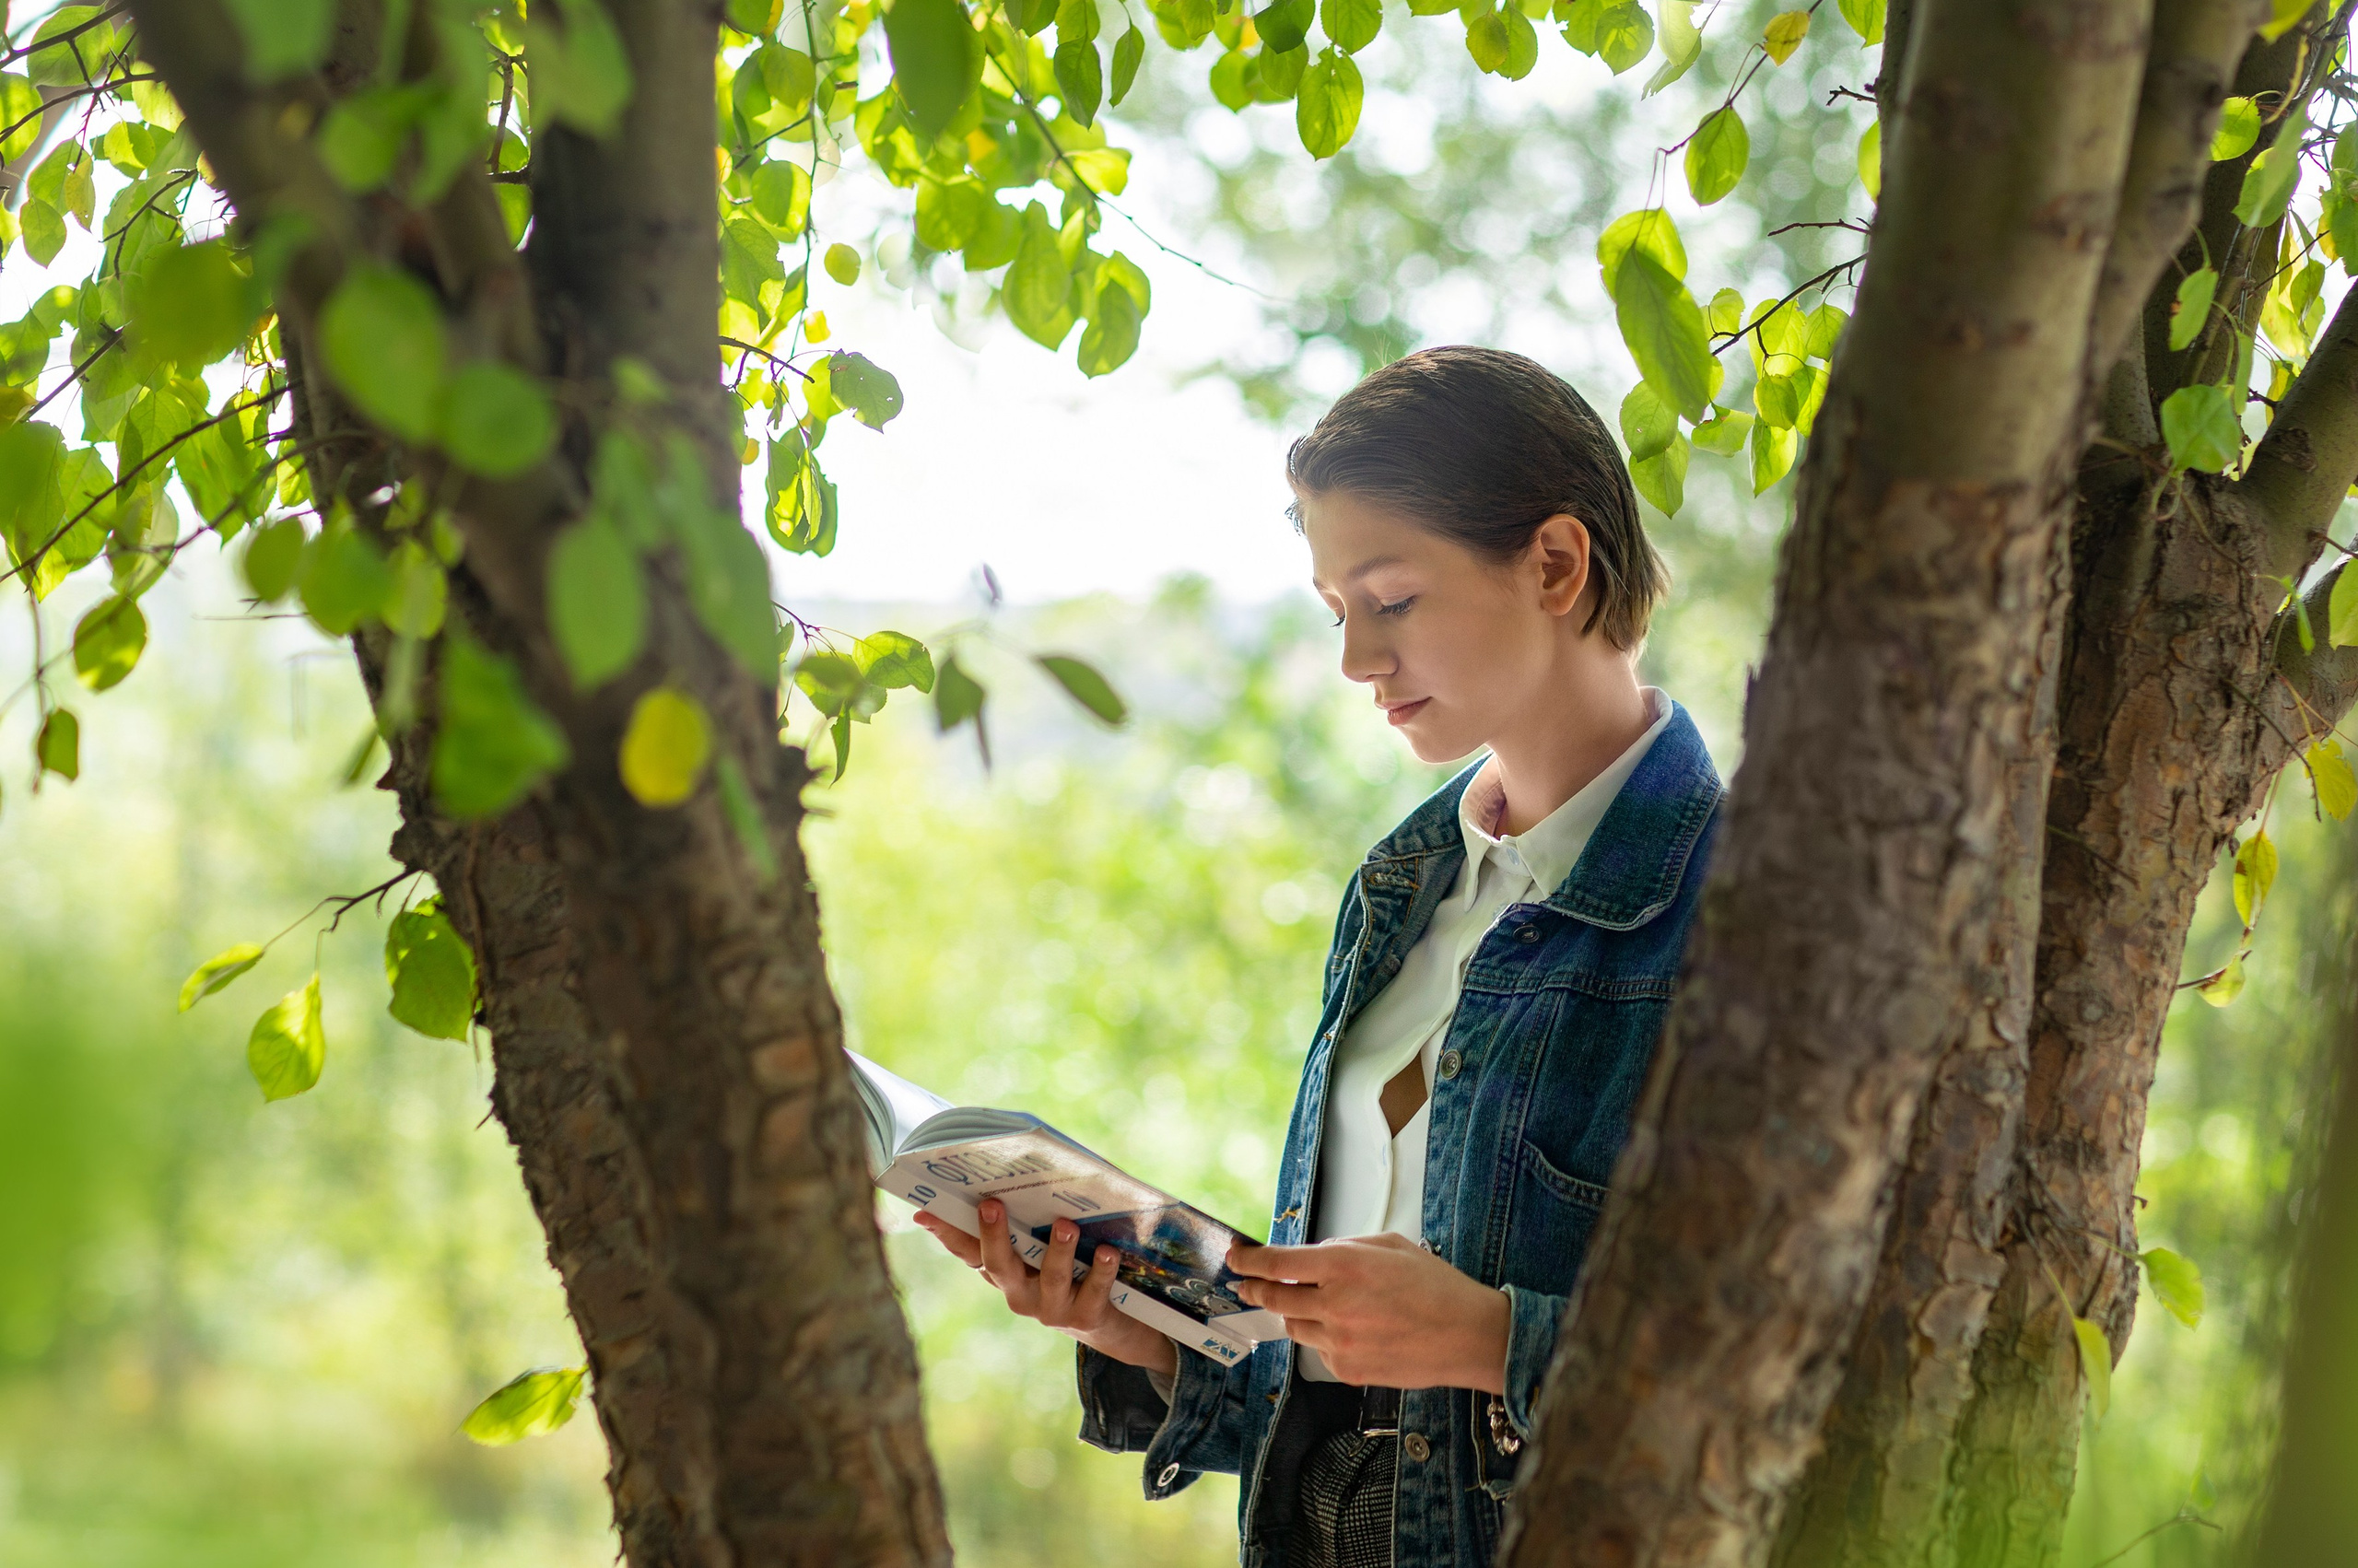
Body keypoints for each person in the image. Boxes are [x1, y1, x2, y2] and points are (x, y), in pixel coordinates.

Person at [913, 345, 1723, 1567]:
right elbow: (1353, 1405)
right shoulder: (1404, 887)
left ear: (1556, 563)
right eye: (1337, 612)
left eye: (1392, 599)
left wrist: (1493, 1338)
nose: (1356, 661)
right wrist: (1149, 1330)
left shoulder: (1740, 919)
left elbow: (1818, 1361)